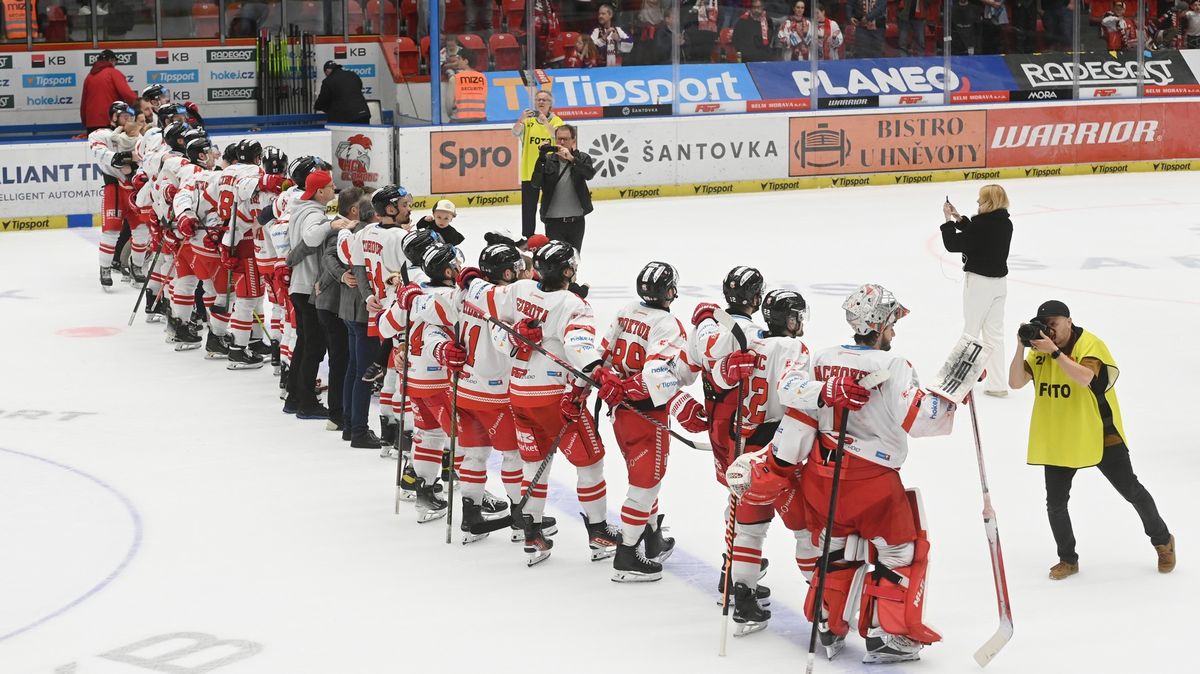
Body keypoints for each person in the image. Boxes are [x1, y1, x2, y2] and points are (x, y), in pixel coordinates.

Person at [774, 284, 958, 663]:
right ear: (879, 324)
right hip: (872, 483)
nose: (894, 331)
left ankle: (828, 625)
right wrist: (953, 395)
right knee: (899, 552)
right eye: (891, 324)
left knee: (836, 548)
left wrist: (825, 388)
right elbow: (921, 420)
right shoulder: (892, 365)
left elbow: (788, 389)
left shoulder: (822, 357)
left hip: (822, 480)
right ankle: (884, 635)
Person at [1008, 300, 1175, 579]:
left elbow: (1085, 378)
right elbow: (1014, 382)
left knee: (1131, 491)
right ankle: (1068, 559)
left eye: (1054, 323)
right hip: (1061, 438)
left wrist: (1056, 353)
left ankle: (1162, 541)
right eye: (1044, 324)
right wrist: (1020, 346)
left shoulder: (1090, 345)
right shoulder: (1039, 352)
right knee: (1056, 503)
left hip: (1100, 434)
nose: (1049, 329)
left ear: (1069, 321)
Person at [490, 241, 621, 566]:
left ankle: (532, 534)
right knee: (589, 464)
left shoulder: (518, 289)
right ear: (567, 270)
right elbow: (578, 344)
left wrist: (513, 334)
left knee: (534, 465)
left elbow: (495, 327)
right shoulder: (574, 304)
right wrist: (594, 370)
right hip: (555, 398)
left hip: (519, 393)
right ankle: (599, 531)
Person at [594, 262, 708, 582]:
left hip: (619, 412)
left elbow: (601, 354)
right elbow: (657, 379)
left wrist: (610, 382)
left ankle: (653, 537)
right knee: (645, 485)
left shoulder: (627, 310)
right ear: (668, 291)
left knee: (642, 477)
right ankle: (628, 555)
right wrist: (630, 389)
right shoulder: (668, 324)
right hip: (647, 415)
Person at [941, 184, 1012, 397]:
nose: (978, 203)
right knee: (994, 335)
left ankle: (956, 383)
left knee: (971, 331)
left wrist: (947, 222)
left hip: (979, 283)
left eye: (980, 200)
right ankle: (997, 385)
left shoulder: (982, 225)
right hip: (999, 284)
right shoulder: (1005, 223)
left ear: (988, 202)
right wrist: (959, 218)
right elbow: (979, 235)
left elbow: (953, 244)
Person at [284, 169, 338, 419]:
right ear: (319, 191)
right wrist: (331, 224)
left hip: (300, 285)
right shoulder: (312, 214)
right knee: (313, 348)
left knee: (305, 344)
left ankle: (294, 397)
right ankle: (307, 403)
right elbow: (312, 238)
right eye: (330, 186)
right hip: (308, 288)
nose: (334, 190)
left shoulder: (300, 210)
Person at [532, 124, 597, 255]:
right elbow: (535, 183)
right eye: (559, 139)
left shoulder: (582, 158)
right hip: (553, 222)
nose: (562, 142)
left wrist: (572, 159)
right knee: (556, 260)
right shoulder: (548, 160)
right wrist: (541, 158)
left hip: (576, 221)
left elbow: (589, 174)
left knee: (574, 260)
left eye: (566, 139)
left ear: (573, 140)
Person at [511, 90, 564, 240]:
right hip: (530, 170)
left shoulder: (557, 121)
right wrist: (521, 119)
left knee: (551, 204)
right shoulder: (528, 121)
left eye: (544, 100)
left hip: (550, 170)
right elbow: (515, 133)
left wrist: (545, 123)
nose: (541, 102)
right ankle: (528, 236)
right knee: (528, 207)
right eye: (538, 99)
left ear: (550, 104)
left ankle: (553, 233)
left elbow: (558, 137)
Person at [81, 49, 139, 133]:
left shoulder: (89, 77)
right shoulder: (113, 73)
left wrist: (85, 121)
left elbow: (84, 103)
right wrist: (139, 105)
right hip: (110, 121)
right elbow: (127, 94)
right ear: (111, 60)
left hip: (91, 123)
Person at [444, 48, 487, 123]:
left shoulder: (455, 78)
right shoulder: (482, 78)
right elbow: (484, 101)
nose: (457, 62)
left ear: (466, 61)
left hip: (459, 119)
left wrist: (451, 115)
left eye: (459, 59)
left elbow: (449, 104)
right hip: (480, 119)